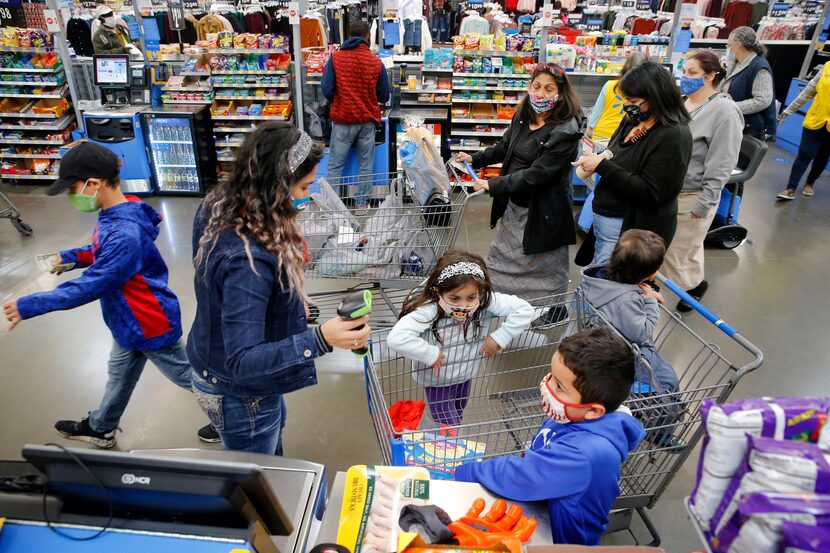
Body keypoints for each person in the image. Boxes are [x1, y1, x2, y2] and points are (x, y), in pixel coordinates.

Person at [187, 123, 372, 455]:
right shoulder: (248, 261)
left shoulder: (221, 200)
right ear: (275, 186)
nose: (305, 196)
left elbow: (209, 279)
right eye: (302, 187)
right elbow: (243, 360)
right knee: (264, 471)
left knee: (273, 438)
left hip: (214, 357)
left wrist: (284, 300)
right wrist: (321, 338)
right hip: (242, 393)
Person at [1, 142, 196, 449]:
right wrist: (70, 257)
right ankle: (101, 426)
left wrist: (30, 304)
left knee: (188, 376)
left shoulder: (124, 232)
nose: (70, 196)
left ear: (93, 184)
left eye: (72, 188)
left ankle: (234, 412)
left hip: (147, 321)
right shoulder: (115, 213)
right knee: (119, 375)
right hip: (127, 320)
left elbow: (93, 283)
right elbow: (101, 254)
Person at [454, 327, 645, 545]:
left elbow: (523, 476)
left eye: (560, 386)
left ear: (593, 410)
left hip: (563, 541)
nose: (547, 387)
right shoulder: (573, 414)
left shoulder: (585, 453)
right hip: (546, 508)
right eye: (552, 376)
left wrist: (465, 472)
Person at [454, 63, 583, 325]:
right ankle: (504, 304)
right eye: (536, 86)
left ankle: (554, 310)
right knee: (502, 260)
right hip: (516, 207)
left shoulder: (566, 130)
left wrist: (493, 185)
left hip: (544, 212)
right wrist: (475, 158)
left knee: (545, 267)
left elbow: (538, 175)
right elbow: (505, 147)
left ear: (561, 93)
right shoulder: (524, 114)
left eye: (549, 89)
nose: (541, 94)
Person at [387, 251, 534, 429]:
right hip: (437, 381)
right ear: (438, 293)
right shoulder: (429, 310)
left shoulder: (484, 301)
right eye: (454, 298)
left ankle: (450, 443)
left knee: (458, 412)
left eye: (471, 298)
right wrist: (429, 353)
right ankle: (452, 450)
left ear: (480, 292)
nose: (463, 306)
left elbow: (525, 310)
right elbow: (397, 338)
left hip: (465, 374)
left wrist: (499, 338)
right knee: (448, 424)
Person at [573, 61, 692, 266]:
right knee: (596, 279)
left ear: (657, 96)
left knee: (607, 287)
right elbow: (615, 150)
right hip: (605, 221)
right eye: (625, 99)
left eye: (633, 100)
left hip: (630, 230)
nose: (627, 106)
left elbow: (649, 192)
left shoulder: (673, 136)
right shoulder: (634, 118)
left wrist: (602, 167)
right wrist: (597, 158)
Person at [578, 230, 683, 450]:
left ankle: (653, 406)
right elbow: (641, 332)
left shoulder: (595, 278)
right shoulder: (627, 300)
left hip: (599, 343)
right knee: (668, 382)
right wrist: (651, 301)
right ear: (651, 274)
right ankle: (660, 432)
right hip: (626, 354)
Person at [662, 51, 743, 311]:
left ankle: (668, 297)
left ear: (711, 75)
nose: (685, 78)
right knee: (686, 247)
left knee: (675, 252)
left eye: (692, 73)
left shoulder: (724, 111)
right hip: (673, 190)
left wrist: (705, 202)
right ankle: (695, 285)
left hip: (694, 193)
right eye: (684, 72)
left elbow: (722, 161)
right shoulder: (686, 102)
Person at [321, 20, 391, 211]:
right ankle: (361, 203)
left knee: (335, 165)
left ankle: (331, 206)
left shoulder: (336, 58)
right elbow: (384, 96)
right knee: (365, 166)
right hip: (367, 122)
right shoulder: (376, 62)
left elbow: (326, 89)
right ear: (368, 37)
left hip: (343, 120)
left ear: (348, 36)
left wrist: (339, 98)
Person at [777, 62, 830, 200]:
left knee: (822, 157)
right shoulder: (827, 67)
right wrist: (789, 110)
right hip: (815, 120)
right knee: (805, 153)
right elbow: (808, 91)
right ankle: (790, 188)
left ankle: (810, 183)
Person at [720, 26, 777, 139]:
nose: (728, 48)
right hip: (734, 122)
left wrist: (730, 106)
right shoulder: (737, 62)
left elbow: (762, 101)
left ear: (738, 45)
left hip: (749, 128)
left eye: (729, 45)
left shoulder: (759, 67)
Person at [586, 52, 649, 142]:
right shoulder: (645, 92)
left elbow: (596, 113)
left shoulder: (609, 85)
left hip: (601, 134)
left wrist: (589, 134)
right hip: (625, 137)